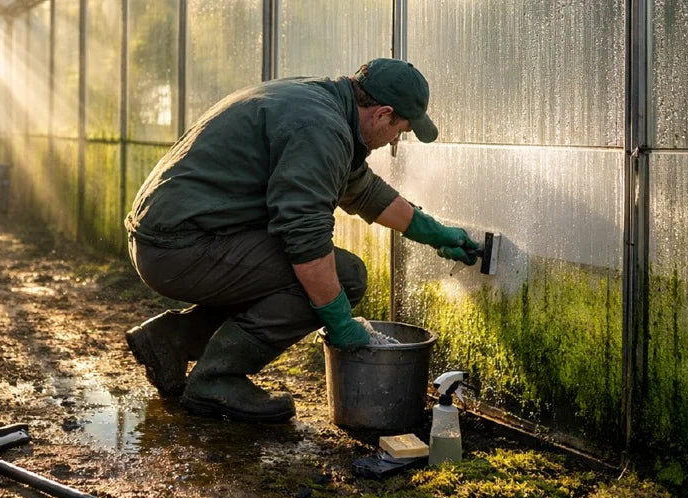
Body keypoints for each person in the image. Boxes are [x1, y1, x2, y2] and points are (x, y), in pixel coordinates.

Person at [123, 58, 478, 423]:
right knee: (346, 277)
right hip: (179, 248)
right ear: (382, 114)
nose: (396, 139)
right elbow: (305, 241)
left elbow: (362, 191)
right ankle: (217, 379)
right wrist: (341, 321)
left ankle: (173, 339)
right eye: (400, 130)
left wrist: (433, 233)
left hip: (173, 238)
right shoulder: (320, 128)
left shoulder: (320, 103)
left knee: (300, 278)